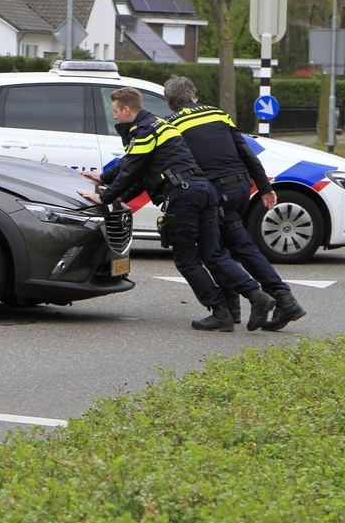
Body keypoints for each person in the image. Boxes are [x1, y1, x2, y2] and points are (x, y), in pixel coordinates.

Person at [77, 87, 275, 332]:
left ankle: (220, 312)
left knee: (186, 260)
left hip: (183, 196)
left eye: (116, 111)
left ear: (127, 109)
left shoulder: (144, 131)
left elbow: (131, 169)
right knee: (214, 254)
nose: (115, 116)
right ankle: (257, 296)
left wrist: (105, 196)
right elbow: (133, 167)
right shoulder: (160, 125)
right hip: (204, 190)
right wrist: (106, 181)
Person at [163, 76, 306, 331]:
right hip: (240, 187)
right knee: (228, 246)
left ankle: (282, 299)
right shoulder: (219, 114)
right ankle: (234, 309)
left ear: (171, 103)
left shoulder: (173, 125)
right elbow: (245, 151)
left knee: (227, 249)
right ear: (194, 95)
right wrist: (264, 187)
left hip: (216, 193)